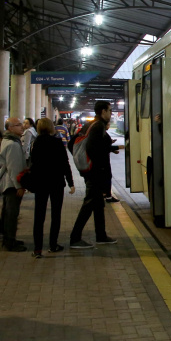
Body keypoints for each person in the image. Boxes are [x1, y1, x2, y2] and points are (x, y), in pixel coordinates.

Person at [69, 102, 119, 249]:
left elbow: (72, 143)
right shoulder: (98, 126)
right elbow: (93, 148)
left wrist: (108, 148)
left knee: (98, 204)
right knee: (89, 204)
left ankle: (101, 236)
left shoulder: (91, 125)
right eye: (110, 110)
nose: (111, 113)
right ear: (103, 111)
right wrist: (107, 150)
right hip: (95, 172)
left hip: (91, 171)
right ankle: (75, 238)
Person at [30, 118, 74, 258]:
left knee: (39, 216)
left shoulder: (35, 144)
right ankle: (53, 245)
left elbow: (33, 165)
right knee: (56, 214)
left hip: (41, 183)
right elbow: (65, 163)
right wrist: (71, 182)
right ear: (51, 128)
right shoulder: (57, 143)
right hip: (56, 183)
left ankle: (37, 249)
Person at [0, 117, 27, 252]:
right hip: (11, 184)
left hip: (7, 182)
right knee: (11, 213)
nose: (22, 127)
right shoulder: (13, 145)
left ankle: (8, 239)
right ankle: (10, 241)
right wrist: (19, 186)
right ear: (10, 128)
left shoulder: (8, 141)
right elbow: (14, 168)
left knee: (7, 212)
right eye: (18, 125)